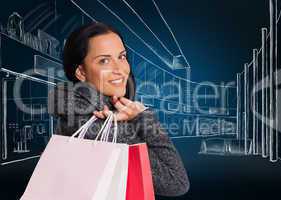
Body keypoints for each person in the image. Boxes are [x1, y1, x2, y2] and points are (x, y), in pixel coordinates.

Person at [48, 22, 190, 197]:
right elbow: (176, 182)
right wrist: (143, 118)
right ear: (81, 72)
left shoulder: (79, 108)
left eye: (122, 57)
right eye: (104, 60)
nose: (120, 70)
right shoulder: (95, 120)